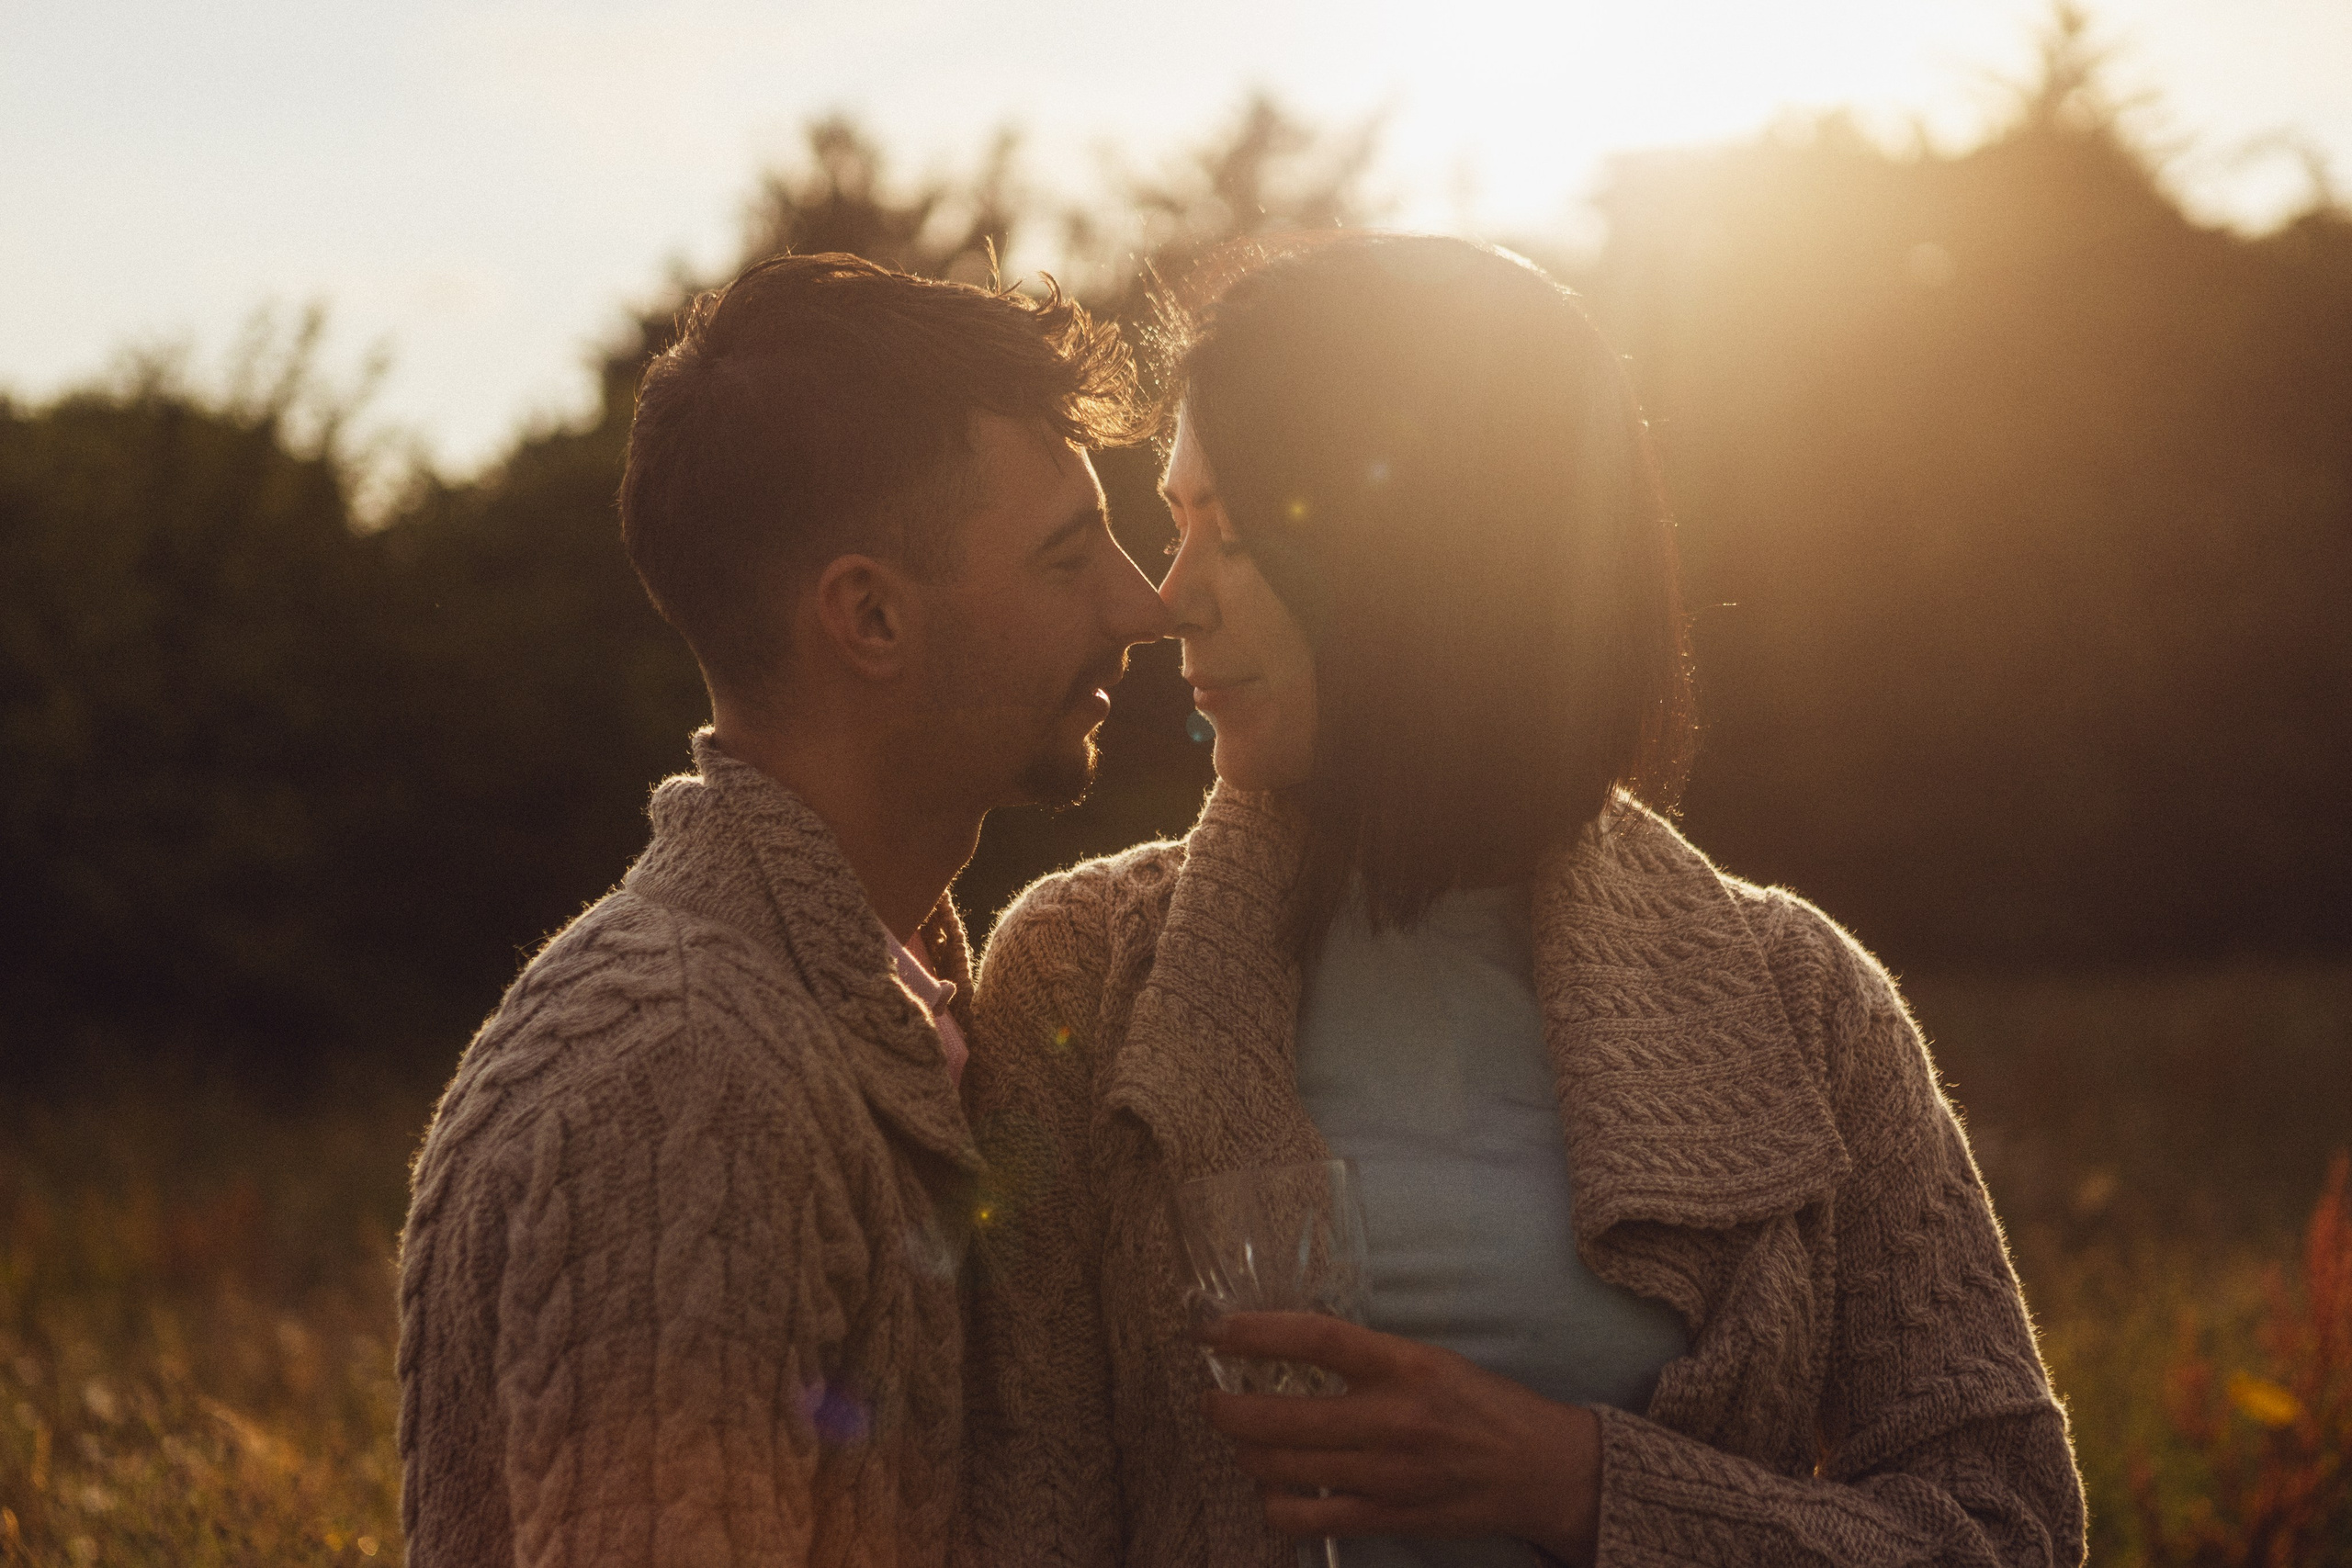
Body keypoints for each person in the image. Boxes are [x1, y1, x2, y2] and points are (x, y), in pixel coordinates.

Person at [957, 235, 2086, 1567]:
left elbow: (2007, 1523)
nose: (1166, 597)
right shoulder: (1081, 975)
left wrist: (1583, 1487)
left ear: (1428, 564)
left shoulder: (1801, 1001)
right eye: (1175, 515)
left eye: (1235, 533)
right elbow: (1023, 1523)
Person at [396, 253, 1170, 1565]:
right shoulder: (683, 1086)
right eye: (1065, 557)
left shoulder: (874, 1007)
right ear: (869, 616)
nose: (1141, 604)